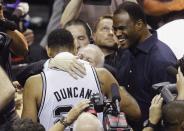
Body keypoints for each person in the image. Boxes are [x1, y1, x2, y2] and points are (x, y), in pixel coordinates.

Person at [22, 28, 141, 130]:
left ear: (48, 50)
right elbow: (135, 112)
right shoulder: (102, 75)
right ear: (75, 48)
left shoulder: (34, 83)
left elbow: (26, 129)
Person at [113, 1, 177, 130]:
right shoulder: (125, 51)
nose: (117, 33)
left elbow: (171, 114)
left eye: (122, 28)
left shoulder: (161, 60)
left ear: (139, 25)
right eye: (115, 29)